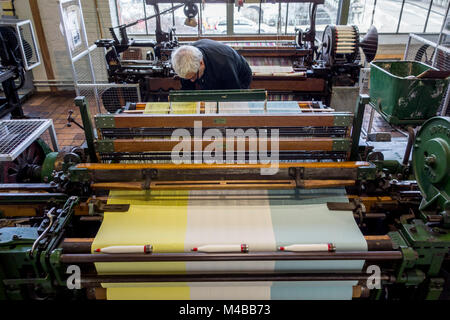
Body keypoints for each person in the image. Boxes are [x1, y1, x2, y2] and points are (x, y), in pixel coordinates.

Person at [171, 39, 252, 90]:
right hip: (212, 68)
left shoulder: (224, 64)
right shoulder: (186, 60)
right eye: (187, 78)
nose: (192, 81)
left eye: (193, 77)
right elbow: (187, 90)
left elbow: (234, 95)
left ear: (201, 63)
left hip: (239, 75)